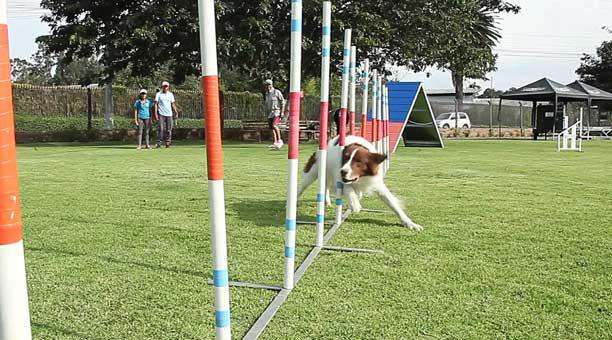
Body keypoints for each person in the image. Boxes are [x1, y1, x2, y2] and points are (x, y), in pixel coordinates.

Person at [154, 81, 178, 148]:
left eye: (166, 86)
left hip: (169, 114)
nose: (165, 87)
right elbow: (155, 104)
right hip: (161, 114)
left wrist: (176, 112)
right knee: (161, 129)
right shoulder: (158, 94)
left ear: (168, 87)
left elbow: (172, 104)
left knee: (169, 129)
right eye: (164, 86)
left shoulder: (170, 94)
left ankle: (168, 143)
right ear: (162, 87)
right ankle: (159, 143)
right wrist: (155, 113)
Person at [264, 79, 286, 149]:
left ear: (272, 85)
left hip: (276, 111)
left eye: (269, 84)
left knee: (274, 125)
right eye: (266, 85)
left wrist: (282, 112)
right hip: (270, 112)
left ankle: (280, 140)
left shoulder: (276, 92)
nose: (268, 86)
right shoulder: (267, 94)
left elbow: (282, 102)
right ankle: (275, 142)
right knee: (271, 128)